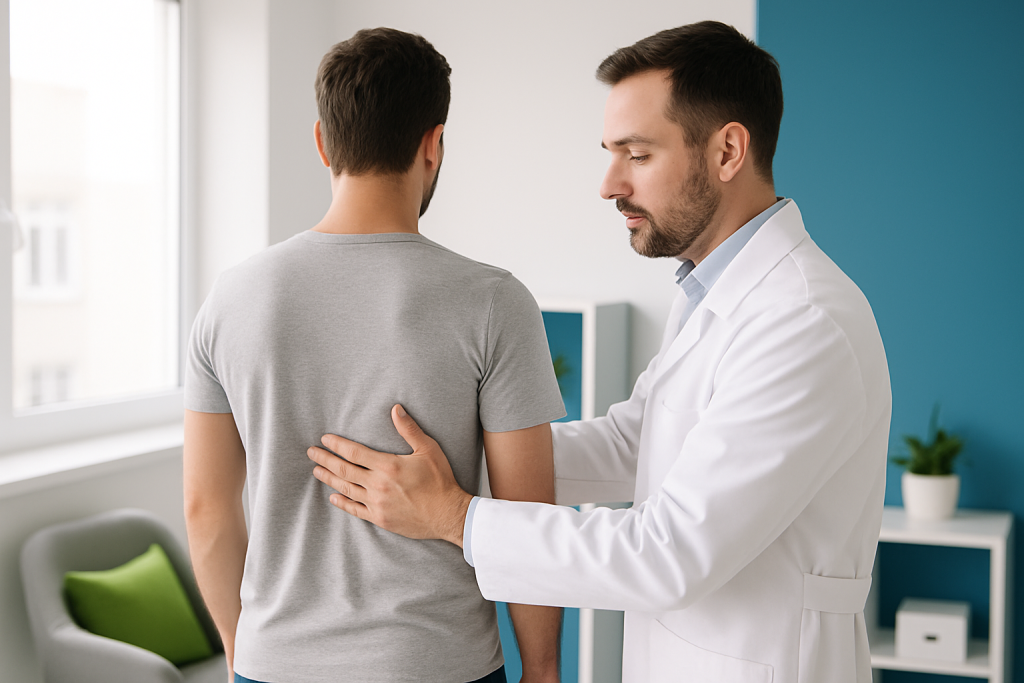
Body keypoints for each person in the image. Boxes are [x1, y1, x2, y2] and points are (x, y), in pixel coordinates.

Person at [307, 21, 891, 683]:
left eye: (636, 155)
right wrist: (485, 443)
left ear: (728, 151)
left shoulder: (803, 321)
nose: (609, 183)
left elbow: (668, 552)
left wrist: (456, 516)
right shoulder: (711, 291)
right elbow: (633, 443)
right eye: (611, 153)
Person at [183, 27, 566, 683]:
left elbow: (207, 510)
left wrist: (241, 653)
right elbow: (527, 514)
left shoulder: (232, 297)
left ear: (323, 142)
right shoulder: (494, 301)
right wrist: (542, 666)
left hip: (275, 663)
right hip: (440, 664)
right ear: (434, 144)